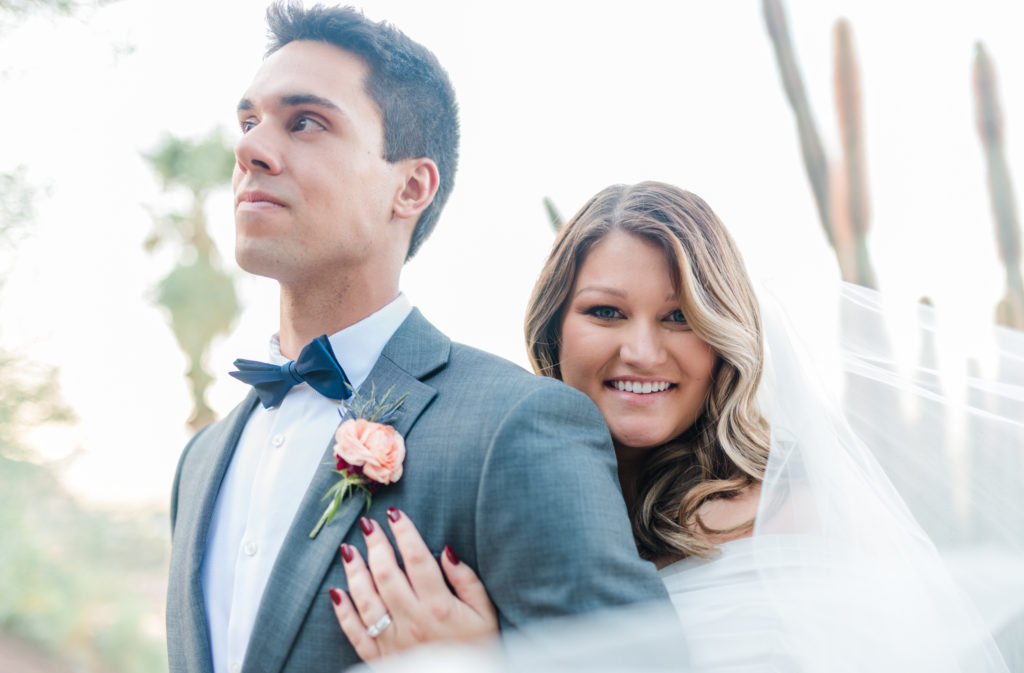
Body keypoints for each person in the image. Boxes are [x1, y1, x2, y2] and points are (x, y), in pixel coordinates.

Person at [164, 6, 670, 673]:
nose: (250, 148)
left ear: (410, 187)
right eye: (250, 120)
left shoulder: (516, 427)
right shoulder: (197, 463)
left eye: (306, 121)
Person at [332, 182, 1019, 671]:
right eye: (605, 312)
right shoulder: (500, 495)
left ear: (723, 338)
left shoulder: (790, 510)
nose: (641, 349)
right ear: (553, 329)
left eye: (678, 316)